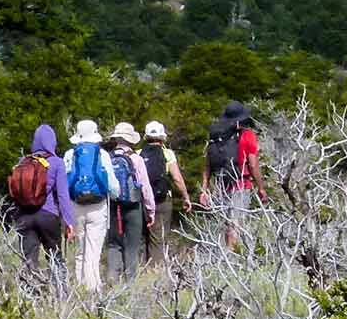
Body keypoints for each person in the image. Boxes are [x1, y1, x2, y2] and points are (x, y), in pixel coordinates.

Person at [5, 124, 75, 288]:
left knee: (28, 259)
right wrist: (69, 222)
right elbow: (63, 195)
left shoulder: (23, 162)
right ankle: (60, 294)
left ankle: (29, 296)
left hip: (24, 216)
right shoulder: (56, 163)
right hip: (48, 214)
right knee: (54, 256)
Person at [65, 118, 115, 291]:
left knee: (80, 249)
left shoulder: (70, 154)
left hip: (76, 205)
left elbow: (66, 181)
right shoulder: (102, 154)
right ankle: (93, 288)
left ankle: (79, 285)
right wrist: (116, 194)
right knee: (93, 250)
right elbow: (112, 184)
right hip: (98, 205)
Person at [208, 100, 265, 251]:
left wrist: (204, 188)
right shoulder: (248, 135)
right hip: (241, 184)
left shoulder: (217, 137)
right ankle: (231, 257)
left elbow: (207, 163)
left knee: (226, 223)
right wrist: (261, 187)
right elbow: (253, 164)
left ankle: (224, 253)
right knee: (236, 223)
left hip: (222, 183)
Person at [105, 122, 158, 280]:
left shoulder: (107, 157)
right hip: (133, 205)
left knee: (114, 244)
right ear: (130, 140)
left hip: (113, 206)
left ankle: (112, 278)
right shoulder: (136, 159)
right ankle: (130, 281)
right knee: (132, 245)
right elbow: (145, 188)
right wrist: (150, 211)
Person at [139, 120, 195, 265]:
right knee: (159, 238)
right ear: (162, 137)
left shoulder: (138, 154)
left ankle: (142, 268)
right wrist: (185, 197)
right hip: (162, 200)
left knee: (144, 236)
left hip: (143, 200)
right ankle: (156, 270)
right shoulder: (167, 153)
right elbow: (177, 178)